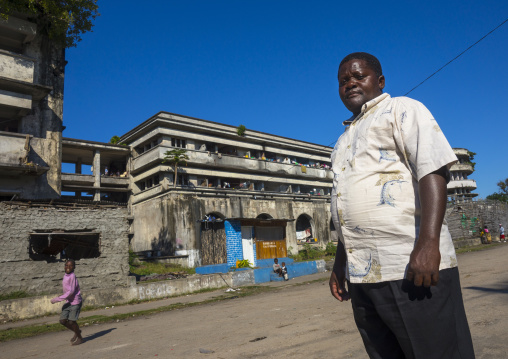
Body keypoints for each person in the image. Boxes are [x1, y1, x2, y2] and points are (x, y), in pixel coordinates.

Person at [328, 52, 475, 358]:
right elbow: (344, 206)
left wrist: (428, 244)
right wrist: (340, 263)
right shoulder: (342, 141)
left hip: (411, 265)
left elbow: (432, 169)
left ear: (379, 81)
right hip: (363, 277)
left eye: (359, 76)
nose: (351, 83)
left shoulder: (402, 109)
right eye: (344, 80)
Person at [51, 259, 83, 346]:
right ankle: (77, 331)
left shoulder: (72, 276)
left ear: (74, 267)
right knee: (63, 321)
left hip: (75, 301)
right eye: (66, 265)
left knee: (72, 322)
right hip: (69, 301)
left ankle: (79, 337)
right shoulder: (65, 275)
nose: (68, 267)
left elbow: (71, 291)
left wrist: (57, 299)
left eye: (70, 266)